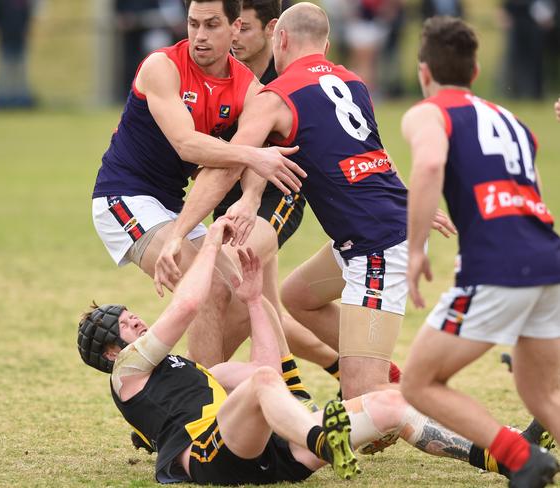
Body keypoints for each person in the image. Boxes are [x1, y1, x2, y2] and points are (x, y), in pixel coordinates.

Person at [78, 218, 548, 484]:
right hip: (207, 459)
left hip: (267, 450)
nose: (137, 320)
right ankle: (324, 437)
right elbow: (186, 305)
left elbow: (269, 376)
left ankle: (506, 455)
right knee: (267, 388)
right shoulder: (127, 376)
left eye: (131, 316)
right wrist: (208, 245)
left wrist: (253, 302)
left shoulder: (203, 374)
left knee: (391, 403)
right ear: (113, 351)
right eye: (126, 324)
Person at [154, 1, 456, 403]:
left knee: (365, 403)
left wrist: (179, 231)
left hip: (375, 242)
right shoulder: (352, 81)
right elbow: (373, 153)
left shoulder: (276, 95)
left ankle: (485, 439)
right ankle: (363, 367)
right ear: (326, 45)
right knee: (297, 297)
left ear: (279, 36)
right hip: (373, 228)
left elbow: (229, 167)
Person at [91, 0, 306, 368]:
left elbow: (253, 148)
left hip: (173, 205)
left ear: (235, 27)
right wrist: (251, 156)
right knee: (206, 289)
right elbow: (186, 143)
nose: (199, 36)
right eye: (193, 24)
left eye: (211, 25)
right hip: (123, 197)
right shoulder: (163, 66)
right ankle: (206, 411)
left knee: (244, 297)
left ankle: (181, 394)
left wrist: (251, 196)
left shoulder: (249, 89)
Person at [400, 15, 560, 488]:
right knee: (542, 395)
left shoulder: (429, 111)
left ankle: (523, 458)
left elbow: (429, 164)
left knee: (417, 383)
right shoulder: (514, 121)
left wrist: (414, 249)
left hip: (500, 267)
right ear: (475, 71)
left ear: (423, 71)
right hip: (548, 258)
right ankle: (529, 460)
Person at [0, 0, 38, 109]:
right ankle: (2, 99)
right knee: (4, 72)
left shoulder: (23, 2)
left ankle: (22, 99)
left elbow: (28, 16)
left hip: (20, 39)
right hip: (5, 38)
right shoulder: (0, 2)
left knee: (21, 72)